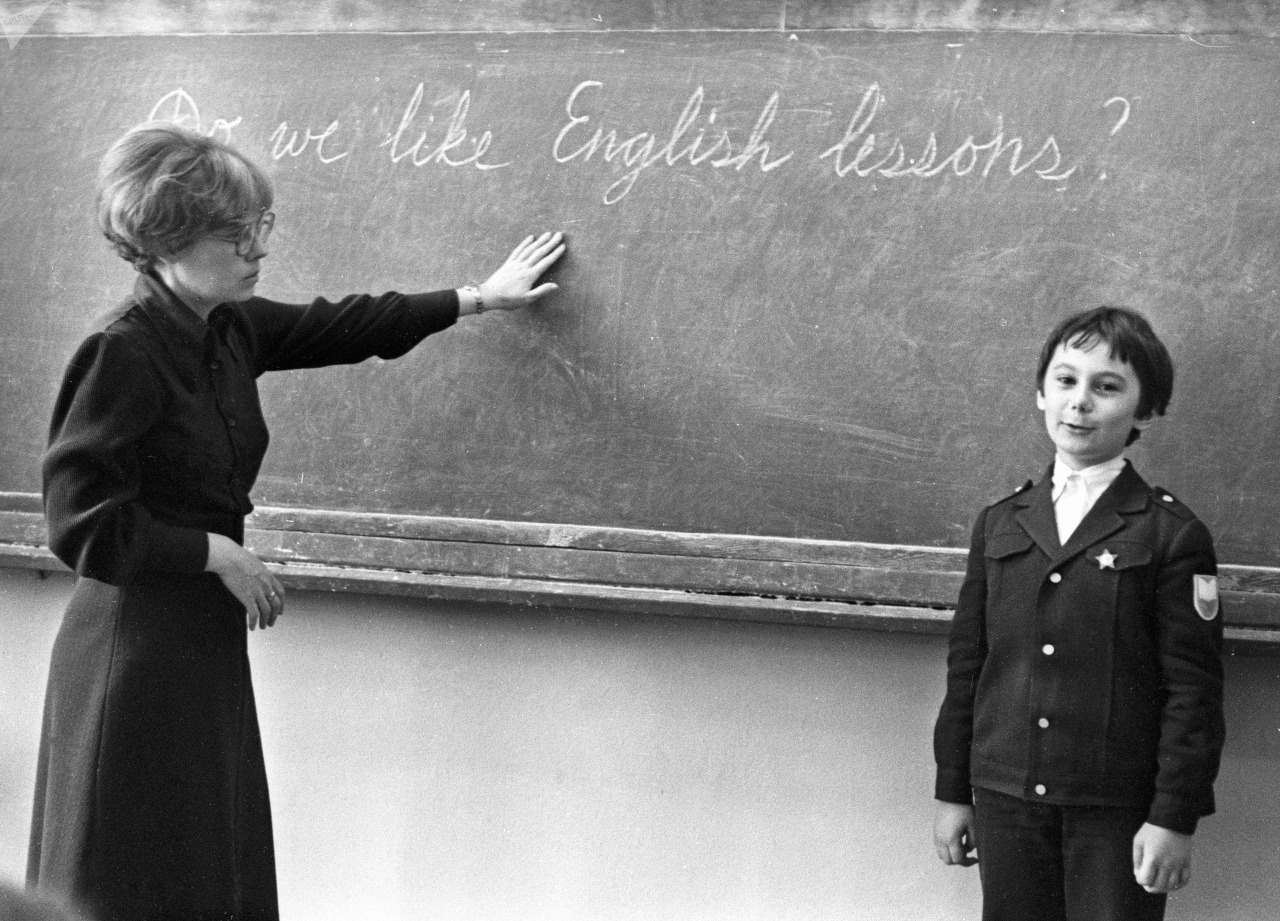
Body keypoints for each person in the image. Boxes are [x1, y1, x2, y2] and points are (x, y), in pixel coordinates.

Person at [26, 122, 566, 921]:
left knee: (206, 861)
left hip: (195, 639)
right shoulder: (123, 353)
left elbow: (344, 325)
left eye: (260, 227)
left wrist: (479, 296)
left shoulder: (226, 326)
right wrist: (216, 553)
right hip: (130, 651)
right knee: (129, 865)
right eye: (236, 233)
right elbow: (81, 528)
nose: (258, 249)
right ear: (168, 237)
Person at [931, 306, 1225, 921]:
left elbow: (1192, 692)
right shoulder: (1001, 522)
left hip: (1114, 808)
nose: (1080, 402)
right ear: (1041, 394)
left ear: (1145, 411)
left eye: (1107, 386)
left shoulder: (1170, 532)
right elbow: (968, 668)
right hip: (1006, 795)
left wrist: (1173, 816)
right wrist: (953, 791)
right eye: (1065, 381)